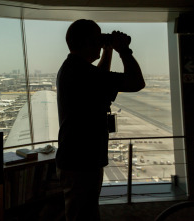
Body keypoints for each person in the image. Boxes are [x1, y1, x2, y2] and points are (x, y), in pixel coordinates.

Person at [56, 19, 145, 221]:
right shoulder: (83, 73)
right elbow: (136, 82)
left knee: (83, 212)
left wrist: (108, 49)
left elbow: (99, 77)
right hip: (82, 160)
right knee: (83, 215)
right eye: (98, 39)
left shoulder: (73, 68)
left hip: (77, 157)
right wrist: (124, 50)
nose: (101, 42)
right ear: (88, 42)